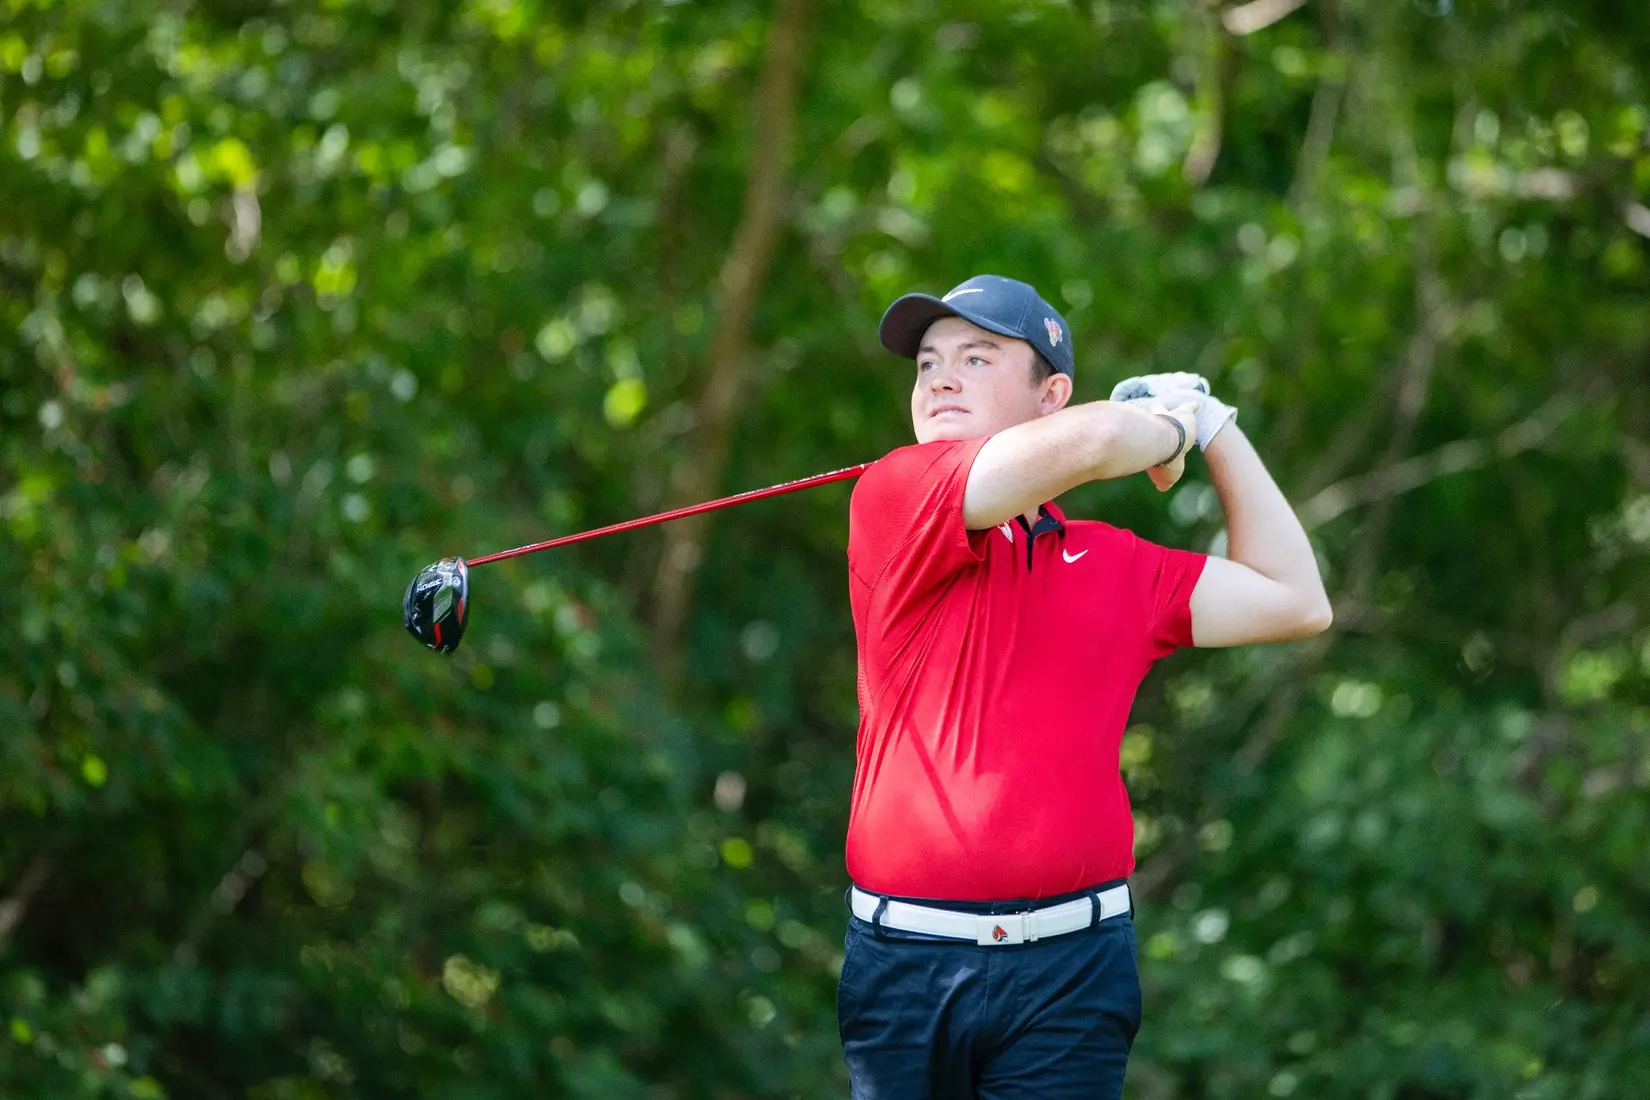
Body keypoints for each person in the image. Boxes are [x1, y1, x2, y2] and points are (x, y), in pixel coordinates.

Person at [838, 274, 1332, 1099]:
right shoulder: (897, 492)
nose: (942, 379)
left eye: (977, 357)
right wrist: (1165, 427)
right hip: (906, 973)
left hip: (1072, 973)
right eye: (927, 365)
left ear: (1050, 395)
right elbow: (1102, 443)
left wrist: (1215, 429)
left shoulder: (1113, 562)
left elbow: (1296, 599)